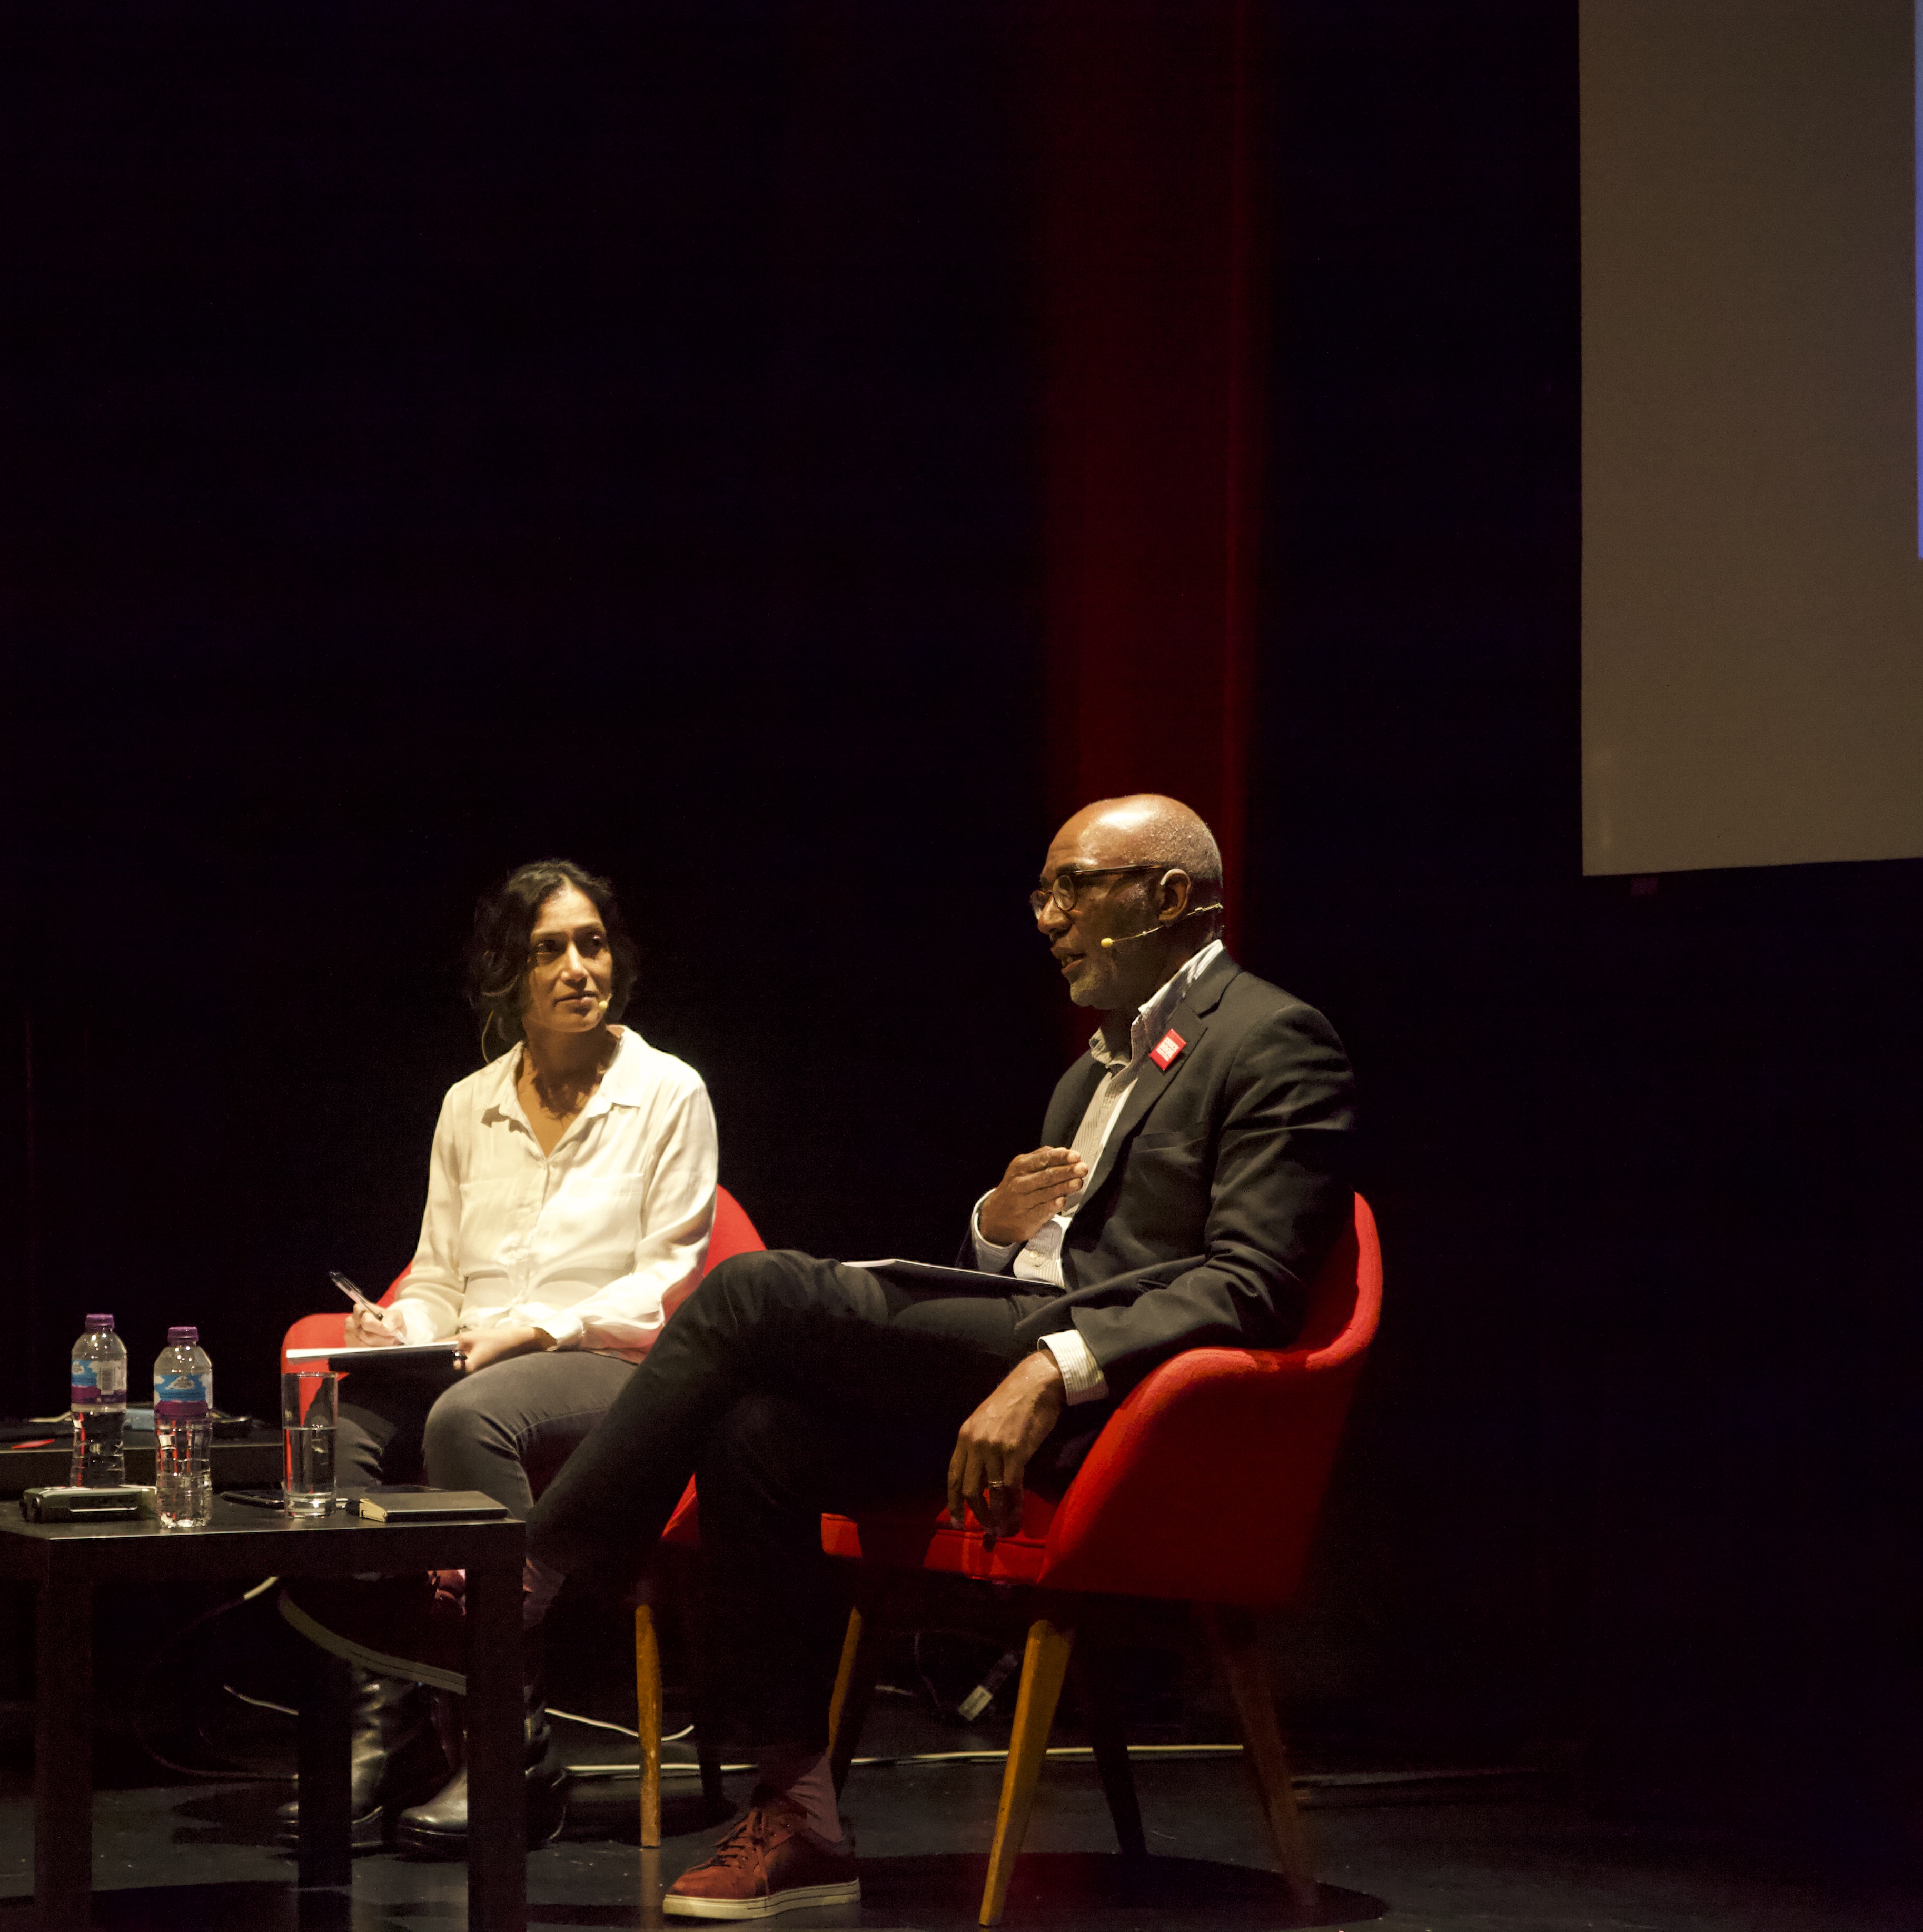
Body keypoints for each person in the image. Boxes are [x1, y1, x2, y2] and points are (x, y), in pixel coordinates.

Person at [522, 795, 1355, 1920]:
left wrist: (1056, 1365)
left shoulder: (1272, 1039)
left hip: (1128, 1418)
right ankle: (802, 1815)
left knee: (755, 1289)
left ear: (1166, 898)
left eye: (1074, 887)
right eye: (1043, 892)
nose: (1050, 917)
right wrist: (995, 1232)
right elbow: (1040, 1264)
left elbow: (1251, 1283)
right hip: (1026, 1352)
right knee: (755, 1431)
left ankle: (531, 1579)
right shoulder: (1089, 1071)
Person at [282, 858, 720, 1857]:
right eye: (549, 950)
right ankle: (382, 1723)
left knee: (467, 1417)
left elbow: (668, 1280)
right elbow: (441, 1271)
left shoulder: (668, 1092)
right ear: (507, 975)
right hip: (477, 1355)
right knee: (332, 1422)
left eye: (593, 943)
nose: (577, 967)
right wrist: (402, 1320)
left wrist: (539, 1329)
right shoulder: (467, 1104)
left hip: (616, 1362)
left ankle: (510, 1754)